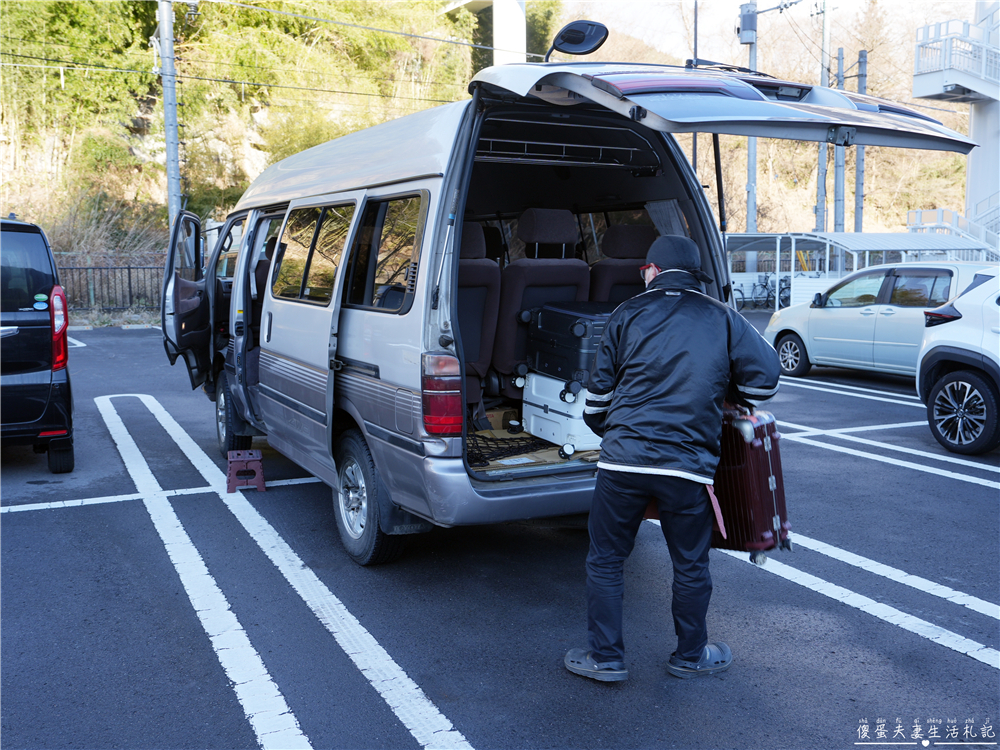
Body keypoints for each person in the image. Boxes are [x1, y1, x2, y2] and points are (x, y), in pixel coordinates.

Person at [563, 235, 781, 682]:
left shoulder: (625, 313)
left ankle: (606, 659)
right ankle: (690, 656)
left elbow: (596, 403)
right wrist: (719, 394)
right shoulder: (722, 316)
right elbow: (766, 381)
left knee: (605, 559)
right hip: (687, 466)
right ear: (694, 276)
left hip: (622, 462)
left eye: (644, 270)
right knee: (690, 563)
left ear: (653, 271)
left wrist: (618, 435)